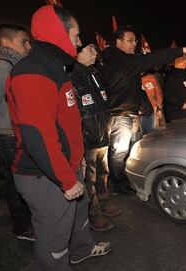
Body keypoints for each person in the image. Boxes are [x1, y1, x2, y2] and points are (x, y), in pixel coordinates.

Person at [6, 5, 110, 270]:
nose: (79, 41)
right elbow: (38, 135)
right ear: (58, 32)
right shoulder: (33, 72)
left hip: (65, 168)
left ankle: (81, 251)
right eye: (75, 34)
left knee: (78, 216)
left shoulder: (57, 67)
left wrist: (75, 164)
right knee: (54, 238)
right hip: (44, 176)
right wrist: (65, 179)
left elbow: (65, 122)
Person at [99, 25, 186, 194]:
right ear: (118, 42)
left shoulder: (119, 59)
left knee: (126, 149)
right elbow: (151, 59)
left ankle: (121, 178)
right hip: (120, 114)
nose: (134, 44)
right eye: (130, 40)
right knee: (119, 151)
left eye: (135, 41)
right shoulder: (120, 60)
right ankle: (117, 185)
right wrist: (182, 50)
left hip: (127, 112)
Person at [0, 23, 33, 240]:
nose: (29, 45)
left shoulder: (16, 63)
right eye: (24, 41)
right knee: (16, 182)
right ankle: (22, 226)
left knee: (23, 180)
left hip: (18, 132)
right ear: (6, 42)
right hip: (7, 135)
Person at [69, 43, 120, 232]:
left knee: (103, 173)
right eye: (90, 50)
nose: (95, 53)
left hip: (102, 135)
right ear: (77, 53)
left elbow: (102, 105)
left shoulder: (94, 73)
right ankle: (93, 212)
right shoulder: (71, 75)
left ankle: (104, 201)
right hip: (87, 139)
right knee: (88, 179)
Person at [163, 55, 186, 121]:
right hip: (178, 115)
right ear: (178, 62)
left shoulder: (184, 74)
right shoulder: (171, 76)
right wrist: (181, 104)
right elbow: (168, 95)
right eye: (184, 60)